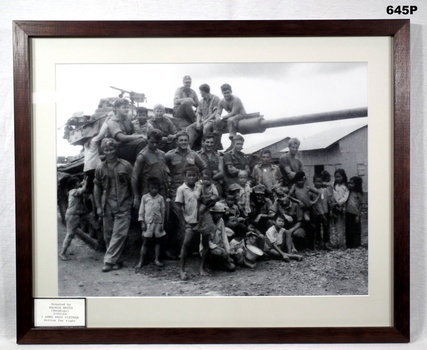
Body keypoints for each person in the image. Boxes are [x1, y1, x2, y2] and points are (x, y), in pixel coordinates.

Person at [165, 131, 207, 257]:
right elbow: (163, 168)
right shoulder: (169, 155)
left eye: (185, 140)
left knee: (191, 219)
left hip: (190, 192)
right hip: (175, 191)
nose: (183, 142)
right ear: (177, 141)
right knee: (178, 220)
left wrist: (200, 181)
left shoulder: (193, 155)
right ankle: (172, 250)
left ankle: (188, 249)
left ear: (188, 141)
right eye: (181, 140)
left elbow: (203, 167)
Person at [94, 138, 133, 272]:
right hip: (107, 204)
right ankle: (117, 260)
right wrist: (98, 206)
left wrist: (134, 199)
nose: (109, 152)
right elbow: (97, 187)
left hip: (123, 202)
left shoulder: (125, 165)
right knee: (108, 234)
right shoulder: (100, 168)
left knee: (120, 233)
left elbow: (132, 184)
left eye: (111, 149)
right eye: (106, 150)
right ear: (103, 151)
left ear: (115, 150)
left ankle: (108, 261)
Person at [175, 165, 209, 280]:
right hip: (189, 221)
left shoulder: (199, 187)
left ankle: (202, 268)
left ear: (197, 177)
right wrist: (183, 222)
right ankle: (182, 270)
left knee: (205, 243)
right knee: (186, 244)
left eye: (194, 175)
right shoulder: (181, 189)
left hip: (201, 219)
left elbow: (203, 201)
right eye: (189, 175)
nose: (191, 178)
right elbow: (178, 207)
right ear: (184, 176)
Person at [131, 128, 169, 210]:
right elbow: (134, 177)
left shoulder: (162, 154)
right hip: (149, 192)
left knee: (163, 218)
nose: (154, 145)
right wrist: (136, 196)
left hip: (162, 191)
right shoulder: (142, 156)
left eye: (157, 143)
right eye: (152, 142)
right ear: (147, 139)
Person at [135, 177, 166, 272]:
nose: (154, 190)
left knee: (158, 242)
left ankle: (156, 259)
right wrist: (142, 222)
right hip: (148, 223)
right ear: (148, 188)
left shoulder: (160, 198)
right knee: (145, 242)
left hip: (158, 223)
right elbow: (141, 211)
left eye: (156, 188)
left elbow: (163, 211)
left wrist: (162, 224)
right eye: (152, 188)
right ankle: (141, 261)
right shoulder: (145, 198)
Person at [106, 98, 146, 164]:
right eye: (124, 107)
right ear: (116, 108)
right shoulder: (112, 121)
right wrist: (139, 135)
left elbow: (133, 133)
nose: (127, 109)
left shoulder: (128, 118)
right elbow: (122, 137)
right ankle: (139, 167)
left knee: (144, 140)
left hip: (126, 145)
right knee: (141, 141)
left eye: (128, 107)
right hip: (116, 148)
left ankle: (141, 164)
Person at [59, 176, 89, 261]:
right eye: (77, 182)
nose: (79, 183)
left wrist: (83, 181)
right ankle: (62, 253)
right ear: (74, 185)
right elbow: (83, 189)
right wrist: (86, 181)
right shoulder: (74, 191)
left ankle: (63, 252)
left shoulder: (72, 191)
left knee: (70, 234)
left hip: (72, 214)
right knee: (70, 235)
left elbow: (81, 187)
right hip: (72, 215)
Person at [186, 84, 220, 149]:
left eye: (200, 91)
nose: (200, 93)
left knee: (206, 127)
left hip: (212, 121)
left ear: (203, 91)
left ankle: (204, 148)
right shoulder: (201, 101)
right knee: (190, 128)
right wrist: (198, 122)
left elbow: (215, 113)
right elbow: (199, 113)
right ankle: (188, 148)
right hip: (202, 121)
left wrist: (206, 121)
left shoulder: (216, 99)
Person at [208, 202, 236, 272]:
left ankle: (221, 263)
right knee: (219, 252)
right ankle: (210, 264)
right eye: (217, 213)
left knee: (229, 256)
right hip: (209, 248)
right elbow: (206, 242)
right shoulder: (207, 222)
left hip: (219, 246)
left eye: (221, 213)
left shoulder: (221, 220)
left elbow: (224, 236)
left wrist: (227, 251)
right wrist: (220, 249)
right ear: (212, 213)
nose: (219, 215)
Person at [197, 132, 224, 197]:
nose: (209, 144)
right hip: (201, 185)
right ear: (203, 142)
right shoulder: (198, 155)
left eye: (211, 142)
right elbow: (196, 172)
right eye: (207, 142)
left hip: (215, 185)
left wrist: (210, 178)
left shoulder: (217, 156)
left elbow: (222, 173)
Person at [330, 168, 349, 249]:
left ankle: (341, 243)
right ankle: (333, 243)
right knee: (332, 226)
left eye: (339, 177)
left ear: (343, 177)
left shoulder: (346, 186)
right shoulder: (333, 184)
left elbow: (345, 197)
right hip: (332, 207)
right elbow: (331, 194)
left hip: (341, 207)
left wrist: (338, 203)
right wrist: (332, 203)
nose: (337, 178)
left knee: (340, 226)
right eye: (336, 177)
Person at [312, 174, 332, 250]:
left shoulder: (325, 190)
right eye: (316, 182)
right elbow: (316, 203)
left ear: (322, 182)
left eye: (320, 182)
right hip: (317, 214)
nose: (318, 183)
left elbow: (327, 201)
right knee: (317, 228)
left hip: (326, 211)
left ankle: (326, 243)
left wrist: (329, 211)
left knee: (326, 227)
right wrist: (321, 213)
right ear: (313, 182)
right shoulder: (313, 191)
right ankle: (319, 243)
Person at [345, 176, 364, 248]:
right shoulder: (348, 192)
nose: (350, 185)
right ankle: (349, 244)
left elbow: (360, 205)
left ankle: (356, 244)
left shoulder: (358, 193)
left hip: (355, 214)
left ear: (357, 184)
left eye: (352, 183)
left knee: (356, 229)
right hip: (348, 212)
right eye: (349, 183)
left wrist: (358, 215)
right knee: (348, 229)